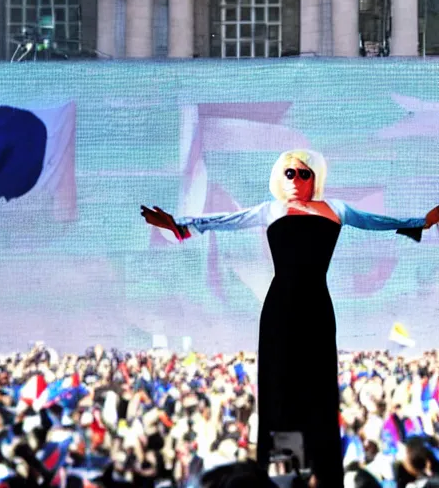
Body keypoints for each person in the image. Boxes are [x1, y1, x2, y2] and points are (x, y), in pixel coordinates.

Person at [141, 149, 439, 488]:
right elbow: (222, 220)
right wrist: (178, 225)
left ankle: (323, 475)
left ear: (316, 178)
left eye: (303, 174)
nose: (295, 180)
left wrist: (423, 221)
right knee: (280, 384)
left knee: (318, 385)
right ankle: (288, 472)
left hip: (317, 307)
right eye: (289, 174)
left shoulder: (337, 209)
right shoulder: (271, 210)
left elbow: (379, 221)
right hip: (280, 307)